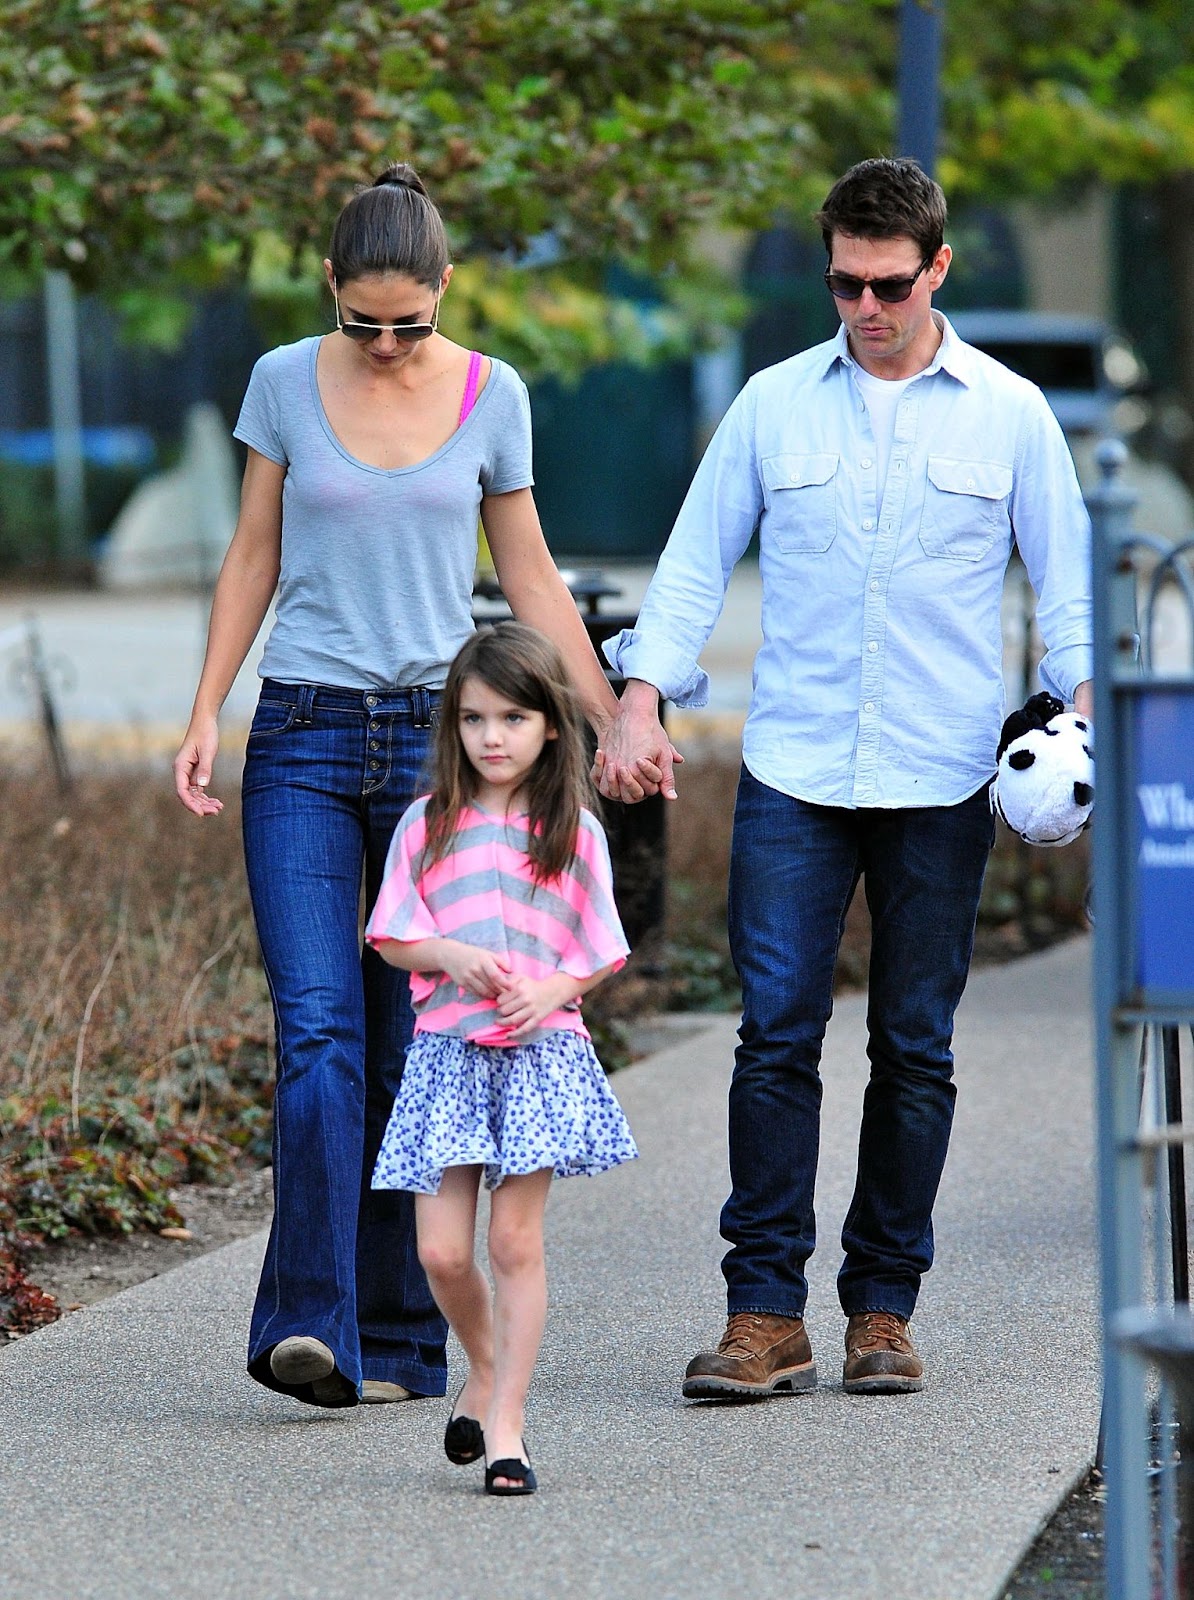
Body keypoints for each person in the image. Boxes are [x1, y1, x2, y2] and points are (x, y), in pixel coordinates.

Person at [596, 157, 1093, 1397]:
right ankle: (765, 1312)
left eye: (886, 284)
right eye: (841, 284)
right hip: (798, 768)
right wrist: (641, 698)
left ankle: (883, 1308)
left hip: (941, 771)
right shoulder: (772, 405)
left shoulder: (1012, 413)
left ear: (935, 268)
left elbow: (1072, 595)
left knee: (916, 1045)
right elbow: (693, 565)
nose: (864, 308)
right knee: (775, 1036)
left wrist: (1083, 721)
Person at [172, 164, 620, 1410]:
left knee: (406, 1045)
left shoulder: (495, 394)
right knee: (317, 1031)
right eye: (359, 320)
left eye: (406, 323)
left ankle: (401, 1341)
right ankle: (308, 1326)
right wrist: (208, 708)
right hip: (305, 739)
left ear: (444, 292)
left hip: (436, 758)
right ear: (329, 287)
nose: (380, 344)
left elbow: (527, 574)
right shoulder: (278, 381)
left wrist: (606, 715)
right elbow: (252, 552)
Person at [365, 622, 637, 1494]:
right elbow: (395, 936)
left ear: (549, 725)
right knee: (443, 1254)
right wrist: (448, 956)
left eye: (513, 719)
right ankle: (481, 1368)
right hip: (447, 1055)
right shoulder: (426, 825)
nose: (493, 737)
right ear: (453, 725)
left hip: (540, 1055)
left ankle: (509, 1424)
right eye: (475, 719)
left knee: (514, 1240)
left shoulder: (573, 829)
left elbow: (602, 946)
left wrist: (555, 991)